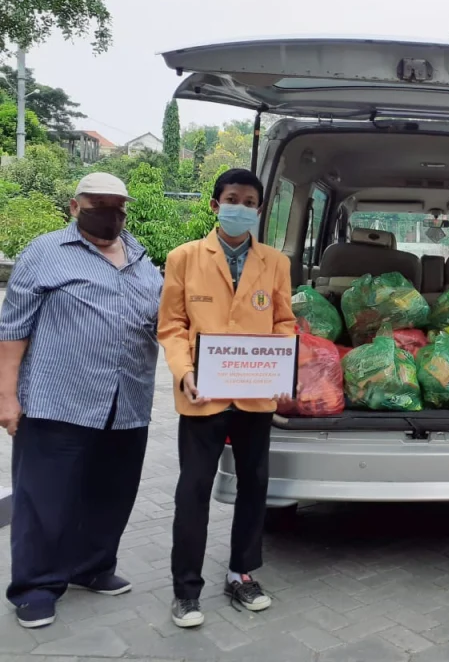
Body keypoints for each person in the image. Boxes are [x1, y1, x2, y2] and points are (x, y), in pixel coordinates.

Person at [0, 172, 163, 628]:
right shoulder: (45, 252)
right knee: (44, 498)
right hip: (59, 398)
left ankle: (91, 567)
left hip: (127, 398)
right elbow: (12, 330)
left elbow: (164, 322)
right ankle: (35, 585)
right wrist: (6, 397)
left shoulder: (140, 257)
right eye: (99, 203)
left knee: (111, 492)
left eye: (117, 204)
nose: (110, 212)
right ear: (75, 206)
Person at [158, 168, 296, 629]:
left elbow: (284, 322)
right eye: (232, 198)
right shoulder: (184, 257)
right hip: (202, 396)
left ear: (259, 210)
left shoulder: (276, 261)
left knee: (255, 486)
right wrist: (184, 372)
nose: (241, 206)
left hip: (257, 396)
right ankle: (185, 590)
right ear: (216, 205)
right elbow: (172, 326)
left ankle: (242, 574)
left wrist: (282, 365)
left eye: (250, 200)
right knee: (193, 490)